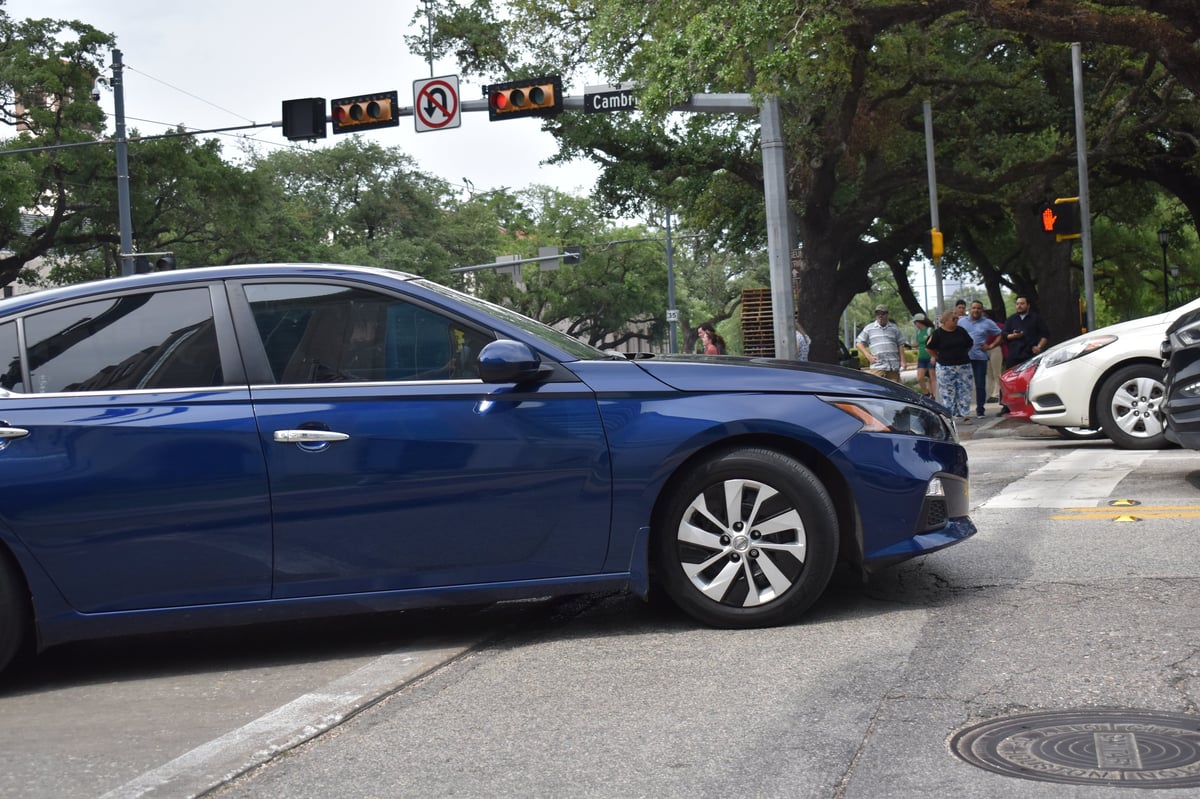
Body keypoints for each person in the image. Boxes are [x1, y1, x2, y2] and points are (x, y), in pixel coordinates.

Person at [925, 310, 974, 421]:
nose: (956, 321)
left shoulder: (961, 331)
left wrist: (963, 353)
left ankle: (964, 414)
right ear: (946, 320)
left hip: (963, 365)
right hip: (945, 367)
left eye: (957, 319)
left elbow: (970, 344)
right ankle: (949, 415)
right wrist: (937, 357)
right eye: (954, 319)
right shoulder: (938, 333)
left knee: (964, 390)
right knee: (947, 392)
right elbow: (929, 348)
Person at [957, 299, 1001, 418]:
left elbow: (999, 334)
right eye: (973, 308)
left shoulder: (987, 322)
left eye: (978, 308)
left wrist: (991, 346)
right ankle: (962, 410)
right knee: (963, 385)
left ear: (982, 310)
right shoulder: (961, 322)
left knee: (980, 385)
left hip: (980, 358)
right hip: (964, 358)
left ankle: (980, 410)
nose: (976, 310)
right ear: (970, 309)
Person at [856, 304, 905, 382]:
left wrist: (903, 361)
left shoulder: (894, 328)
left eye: (882, 313)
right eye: (878, 313)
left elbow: (900, 344)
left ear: (887, 314)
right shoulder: (869, 328)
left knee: (894, 390)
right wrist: (868, 356)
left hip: (893, 365)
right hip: (877, 365)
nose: (880, 316)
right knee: (876, 388)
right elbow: (859, 342)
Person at [1002, 294, 1050, 368]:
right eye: (1017, 304)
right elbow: (1004, 334)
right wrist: (1014, 336)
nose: (1019, 306)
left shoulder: (1036, 318)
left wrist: (1039, 347)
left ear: (1028, 305)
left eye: (1022, 303)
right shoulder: (1011, 319)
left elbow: (1045, 335)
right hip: (1014, 355)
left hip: (1030, 354)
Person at [912, 313, 936, 397]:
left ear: (919, 322)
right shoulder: (919, 332)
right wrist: (912, 345)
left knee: (932, 378)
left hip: (930, 357)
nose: (915, 324)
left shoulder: (930, 330)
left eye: (915, 322)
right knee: (920, 377)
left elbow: (934, 343)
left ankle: (933, 395)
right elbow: (919, 343)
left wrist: (934, 356)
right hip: (921, 358)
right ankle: (926, 393)